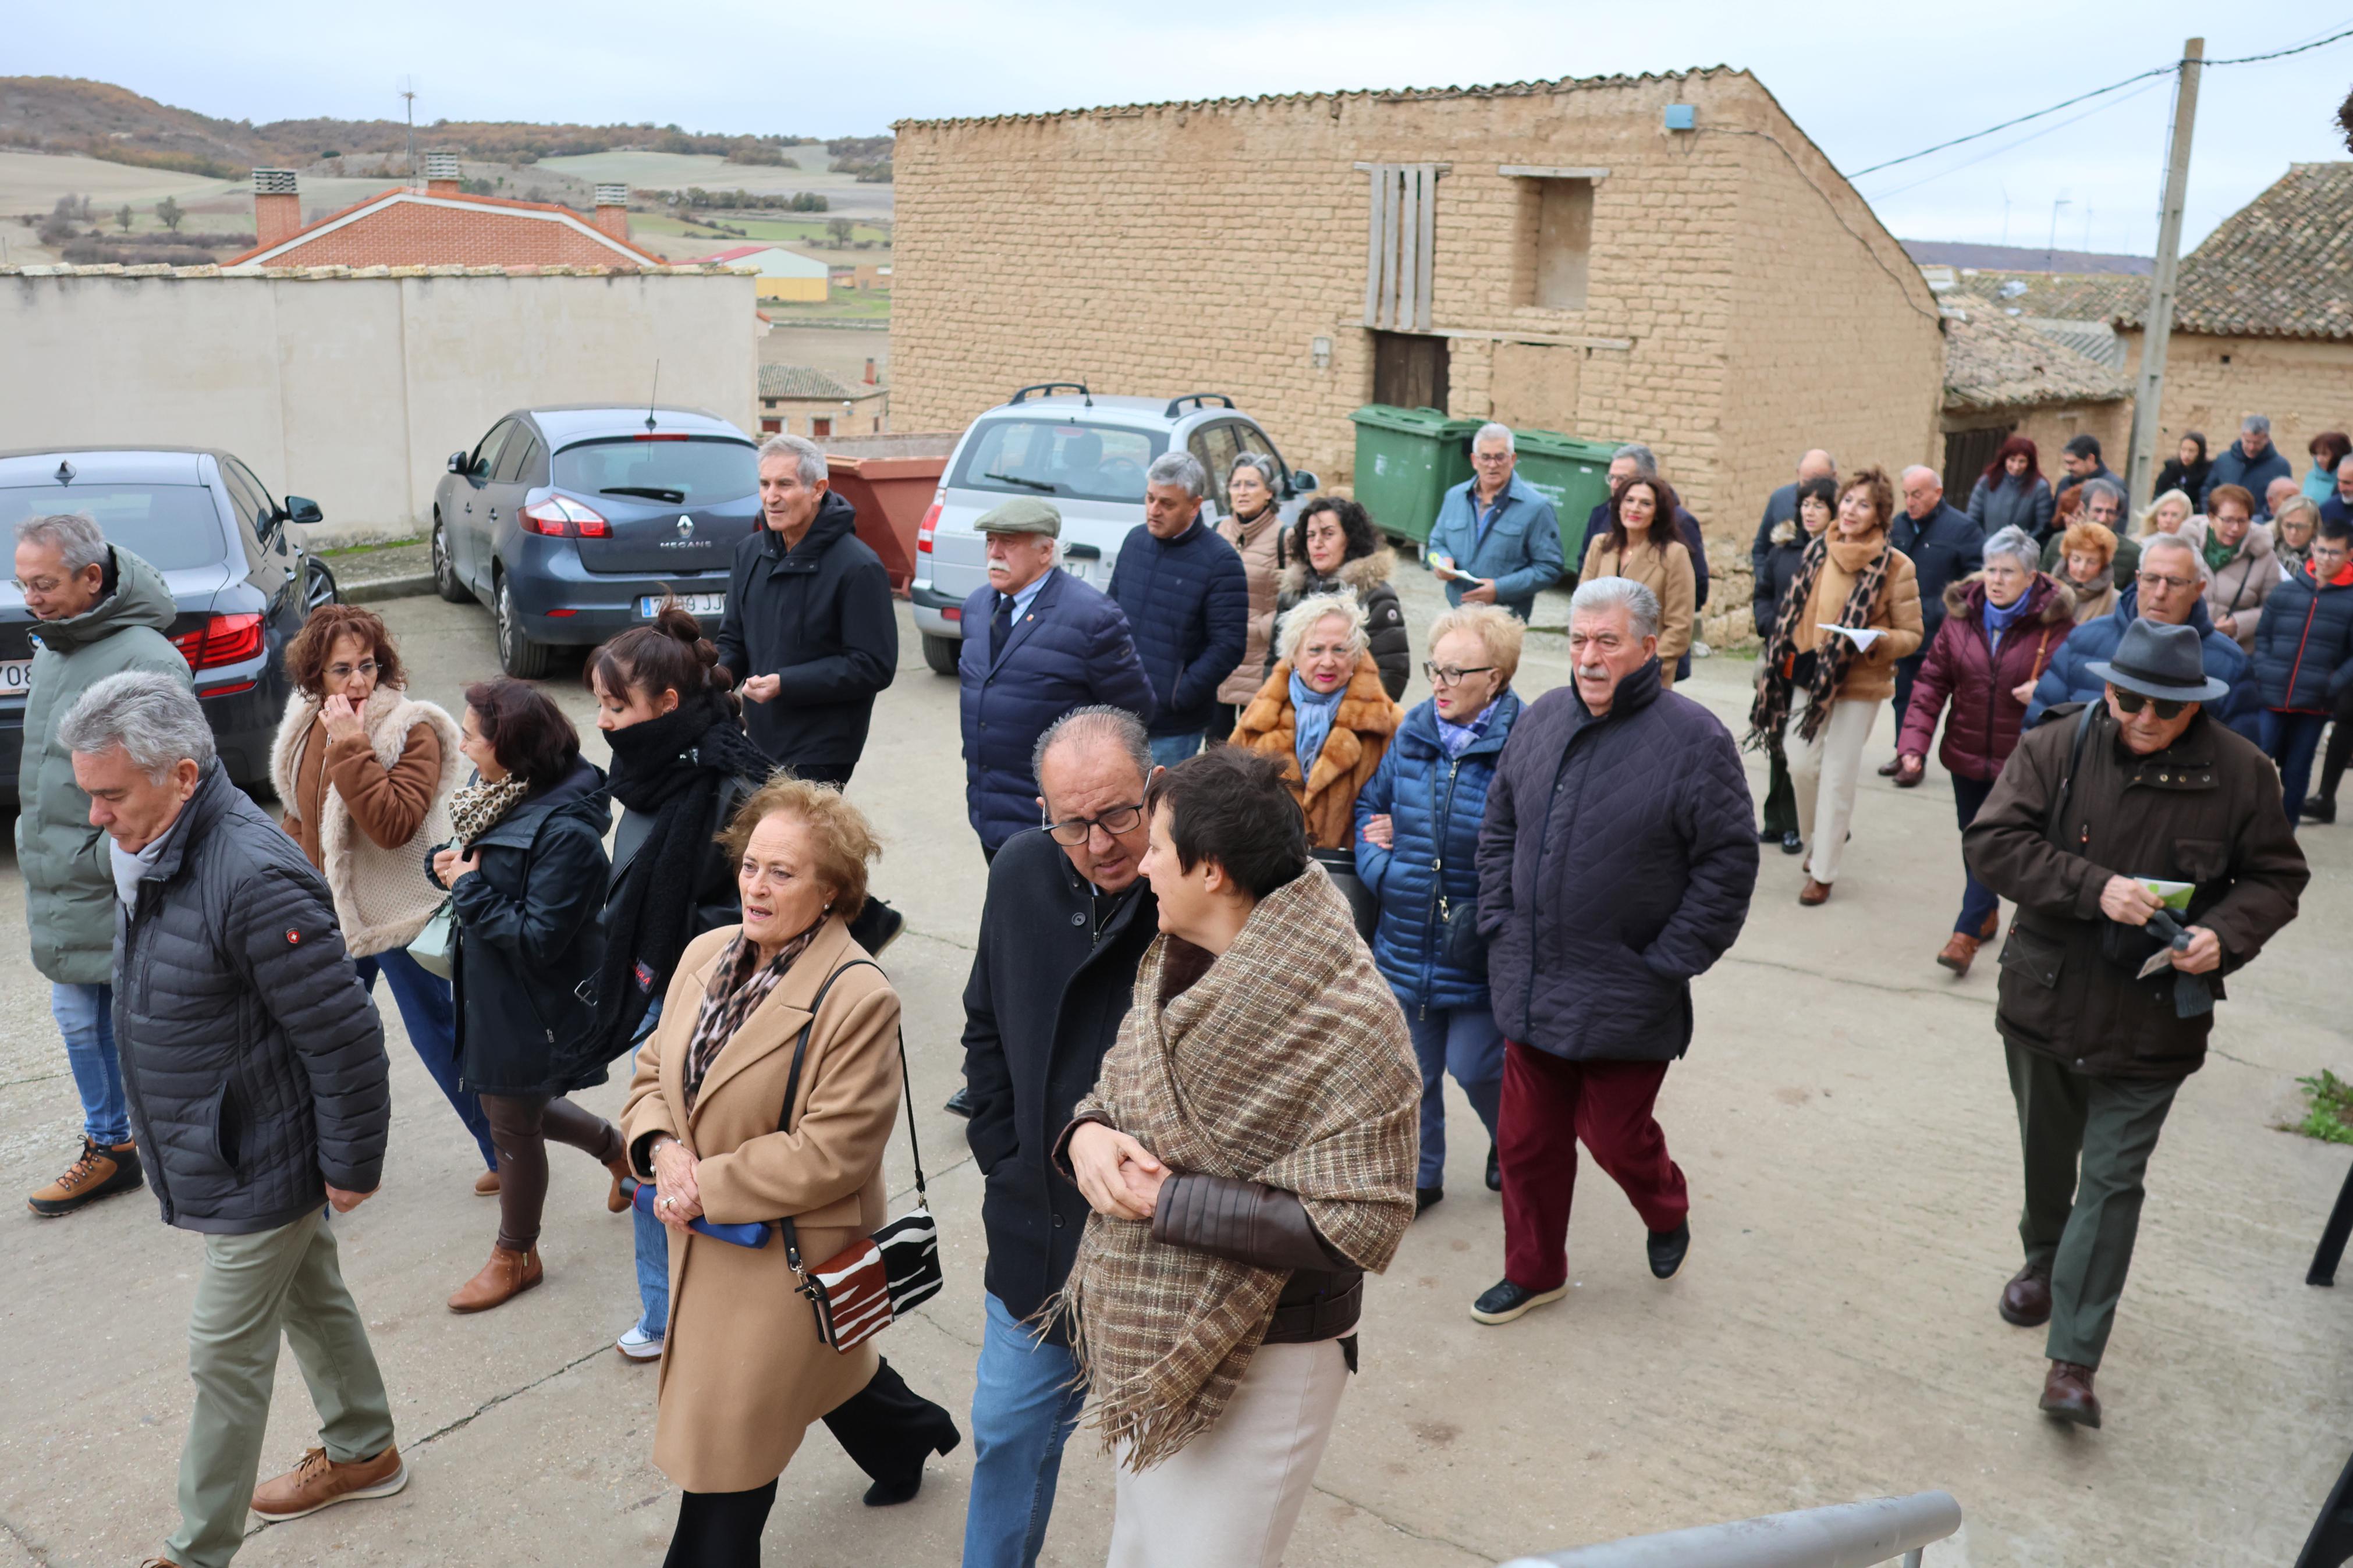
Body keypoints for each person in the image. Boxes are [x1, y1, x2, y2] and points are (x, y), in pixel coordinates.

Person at [65, 672, 404, 1566]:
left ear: (181, 774)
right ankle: (365, 1444)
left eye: (110, 794)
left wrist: (352, 1163)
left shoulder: (251, 872)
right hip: (227, 1140)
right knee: (311, 1291)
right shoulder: (158, 845)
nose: (96, 816)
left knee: (223, 1350)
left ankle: (197, 1550)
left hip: (263, 1150)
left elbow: (344, 1036)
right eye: (88, 792)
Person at [1054, 746, 1419, 1567]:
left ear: (1211, 870)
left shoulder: (1350, 1015)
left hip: (1271, 1351)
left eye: (1155, 846)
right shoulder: (1172, 958)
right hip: (1155, 1334)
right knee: (1140, 1551)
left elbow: (1362, 1218)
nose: (1138, 861)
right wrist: (1083, 1137)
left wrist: (1164, 1202)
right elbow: (1118, 1088)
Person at [1964, 619, 2306, 1428]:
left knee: (2112, 1182)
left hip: (2153, 1015)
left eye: (2164, 707)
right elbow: (1992, 842)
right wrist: (2093, 886)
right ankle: (2044, 1256)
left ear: (2195, 705)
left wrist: (2225, 935)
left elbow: (2275, 876)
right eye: (2128, 699)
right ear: (2107, 686)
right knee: (2048, 1157)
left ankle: (2072, 1361)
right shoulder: (2055, 747)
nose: (2143, 718)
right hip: (2046, 995)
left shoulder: (2241, 771)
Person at [622, 776, 960, 1563]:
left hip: (785, 1255)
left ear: (834, 889)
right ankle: (909, 1435)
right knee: (832, 1363)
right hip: (702, 1238)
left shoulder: (857, 997)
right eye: (750, 864)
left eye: (782, 871)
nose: (756, 884)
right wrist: (662, 1149)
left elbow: (832, 1149)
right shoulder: (706, 953)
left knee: (727, 1450)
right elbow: (650, 1073)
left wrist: (699, 1182)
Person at [1470, 577, 1757, 1325]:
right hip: (1531, 977)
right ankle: (1533, 1271)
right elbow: (1498, 823)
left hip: (1628, 987)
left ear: (1648, 648)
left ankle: (1665, 1207)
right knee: (1525, 1143)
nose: (1588, 658)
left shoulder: (1696, 741)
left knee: (1613, 1136)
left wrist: (1667, 960)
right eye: (1576, 640)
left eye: (1607, 641)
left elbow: (1727, 864)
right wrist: (1498, 919)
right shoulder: (1539, 719)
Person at [959, 707, 1160, 1568]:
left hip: (1154, 1250)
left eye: (1118, 812)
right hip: (1035, 1234)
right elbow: (983, 1025)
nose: (1100, 841)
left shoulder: (1196, 892)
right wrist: (1008, 1156)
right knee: (1005, 1435)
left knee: (1159, 1473)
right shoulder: (1018, 871)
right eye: (1072, 821)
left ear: (1154, 790)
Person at [584, 607, 772, 1364]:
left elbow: (756, 917)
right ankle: (666, 1309)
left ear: (665, 707)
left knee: (676, 1159)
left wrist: (689, 979)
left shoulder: (731, 790)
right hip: (660, 990)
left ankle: (704, 1311)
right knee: (656, 1156)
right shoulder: (654, 770)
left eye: (614, 705)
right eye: (598, 703)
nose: (601, 722)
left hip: (712, 1009)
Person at [427, 678, 631, 1313]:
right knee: (514, 1106)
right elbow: (474, 861)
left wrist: (466, 886)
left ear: (511, 747)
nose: (461, 746)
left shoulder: (566, 833)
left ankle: (517, 1254)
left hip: (531, 999)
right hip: (492, 986)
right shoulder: (496, 792)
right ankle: (619, 1152)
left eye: (470, 735)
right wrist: (443, 863)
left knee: (512, 1117)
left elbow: (540, 937)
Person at [268, 606, 487, 1187]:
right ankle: (321, 1172)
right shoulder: (307, 718)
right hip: (335, 915)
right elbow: (300, 811)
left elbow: (391, 824)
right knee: (327, 1042)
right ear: (315, 675)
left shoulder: (412, 727)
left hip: (403, 914)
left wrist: (351, 745)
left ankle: (510, 1155)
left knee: (440, 1038)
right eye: (341, 670)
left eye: (367, 665)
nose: (358, 682)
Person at [16, 513, 191, 1216]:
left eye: (45, 583)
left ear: (93, 578)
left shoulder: (144, 658)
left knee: (142, 1023)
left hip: (111, 874)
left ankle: (178, 1146)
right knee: (79, 1017)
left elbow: (172, 778)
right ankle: (112, 1144)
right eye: (23, 582)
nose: (31, 597)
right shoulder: (59, 647)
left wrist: (103, 854)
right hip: (62, 874)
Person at [1354, 603, 1525, 1213]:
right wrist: (1386, 871)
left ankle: (1512, 1144)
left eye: (1457, 672)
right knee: (1412, 1074)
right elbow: (1367, 809)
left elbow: (1534, 847)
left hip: (1475, 949)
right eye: (1435, 669)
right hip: (1404, 940)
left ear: (1495, 678)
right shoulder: (1414, 731)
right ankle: (1422, 1177)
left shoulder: (1523, 745)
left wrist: (1491, 907)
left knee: (1476, 1066)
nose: (1440, 683)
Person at [1894, 528, 2077, 975]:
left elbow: (2079, 688)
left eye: (2007, 572)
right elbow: (1931, 682)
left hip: (2023, 758)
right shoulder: (1962, 617)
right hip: (1966, 751)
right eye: (1990, 569)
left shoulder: (2055, 625)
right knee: (1971, 835)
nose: (1995, 580)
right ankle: (1987, 908)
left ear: (2032, 576)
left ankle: (1965, 931)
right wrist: (1913, 744)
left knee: (1992, 838)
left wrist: (2044, 691)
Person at [1750, 467, 1923, 905]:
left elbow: (1912, 635)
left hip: (1860, 683)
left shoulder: (1895, 567)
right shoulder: (1817, 550)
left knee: (1837, 776)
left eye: (1863, 504)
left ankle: (1823, 870)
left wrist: (1875, 641)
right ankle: (1819, 838)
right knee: (1800, 763)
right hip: (1810, 676)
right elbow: (1796, 613)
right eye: (1847, 500)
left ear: (1880, 515)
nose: (1850, 510)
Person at [960, 497, 1154, 858]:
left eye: (1010, 543)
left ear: (1046, 550)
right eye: (990, 541)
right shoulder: (976, 606)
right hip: (989, 807)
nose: (995, 553)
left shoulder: (1093, 618)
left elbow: (1134, 714)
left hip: (1062, 823)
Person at [715, 432, 897, 788]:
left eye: (785, 484)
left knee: (795, 843)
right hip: (757, 736)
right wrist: (710, 684)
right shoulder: (749, 553)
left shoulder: (859, 567)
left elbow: (873, 665)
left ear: (818, 489)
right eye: (765, 484)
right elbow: (733, 639)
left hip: (823, 747)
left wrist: (787, 683)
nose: (771, 497)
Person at [2029, 533, 2258, 737]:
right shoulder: (2084, 639)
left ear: (2199, 589)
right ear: (2138, 580)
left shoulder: (2229, 664)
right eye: (2151, 579)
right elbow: (2040, 729)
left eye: (2175, 583)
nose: (2160, 593)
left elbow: (2239, 762)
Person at [1108, 451, 1248, 769]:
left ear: (1195, 505)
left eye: (1167, 504)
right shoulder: (1135, 542)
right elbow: (1110, 616)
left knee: (1158, 813)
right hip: (1117, 714)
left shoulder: (1220, 561)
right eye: (1150, 498)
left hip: (1172, 729)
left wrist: (1176, 697)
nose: (1153, 511)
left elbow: (1229, 646)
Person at [1229, 593, 1401, 850]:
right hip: (1270, 871)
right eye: (1316, 650)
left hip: (1349, 874)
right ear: (1294, 655)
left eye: (1340, 650)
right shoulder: (1260, 718)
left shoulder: (1389, 724)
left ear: (1356, 656)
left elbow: (1415, 803)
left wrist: (1396, 824)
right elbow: (1226, 798)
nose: (1328, 661)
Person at [1880, 466, 1985, 784]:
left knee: (1930, 699)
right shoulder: (1897, 527)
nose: (1910, 502)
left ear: (1937, 493)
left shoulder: (1963, 530)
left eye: (1918, 494)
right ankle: (1905, 754)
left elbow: (1977, 579)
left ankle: (1919, 758)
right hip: (1907, 630)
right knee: (1905, 696)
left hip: (1944, 634)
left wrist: (1948, 610)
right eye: (1907, 495)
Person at [1751, 475, 1836, 854]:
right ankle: (1773, 818)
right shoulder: (1783, 550)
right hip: (1777, 656)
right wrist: (1770, 625)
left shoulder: (1836, 554)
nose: (1810, 511)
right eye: (1805, 504)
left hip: (1812, 661)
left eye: (1819, 505)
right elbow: (1764, 593)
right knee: (1775, 733)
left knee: (1797, 742)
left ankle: (1794, 823)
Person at [2249, 516, 2353, 825]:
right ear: (2312, 549)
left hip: (2315, 703)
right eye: (2320, 550)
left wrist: (2332, 683)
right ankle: (2246, 828)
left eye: (2334, 553)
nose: (2325, 558)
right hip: (2273, 695)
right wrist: (2264, 670)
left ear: (2350, 555)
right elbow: (2263, 636)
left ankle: (2285, 837)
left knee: (2297, 770)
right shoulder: (2286, 592)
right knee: (2257, 760)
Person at [1426, 422, 1564, 621]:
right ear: (1474, 460)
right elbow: (1436, 544)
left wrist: (1500, 589)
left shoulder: (1537, 507)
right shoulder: (1455, 497)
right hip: (1458, 614)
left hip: (1504, 622)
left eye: (1500, 457)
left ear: (1513, 459)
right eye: (1486, 457)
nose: (1492, 465)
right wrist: (1442, 562)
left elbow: (1549, 567)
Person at [1279, 495, 1410, 699]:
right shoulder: (1293, 593)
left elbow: (1391, 671)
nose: (1317, 543)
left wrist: (1350, 718)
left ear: (1350, 539)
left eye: (1328, 534)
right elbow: (1276, 662)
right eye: (1310, 536)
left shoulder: (1375, 596)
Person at [1581, 472, 1698, 689]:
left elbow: (1680, 627)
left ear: (1657, 512)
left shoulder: (1674, 555)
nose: (1635, 509)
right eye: (1629, 500)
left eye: (1645, 503)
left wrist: (1643, 664)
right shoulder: (1600, 546)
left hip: (1646, 674)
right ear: (1618, 505)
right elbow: (1582, 607)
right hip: (1595, 665)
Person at [1209, 454, 1290, 744]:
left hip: (1259, 661)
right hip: (1219, 661)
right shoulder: (1219, 532)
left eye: (1251, 484)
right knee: (1215, 751)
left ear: (1269, 492)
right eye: (1236, 485)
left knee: (1251, 752)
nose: (1242, 492)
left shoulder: (1284, 537)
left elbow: (1292, 599)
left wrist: (1259, 628)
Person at [2198, 484, 2276, 652]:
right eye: (2228, 520)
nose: (2235, 528)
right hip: (2187, 642)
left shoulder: (2264, 555)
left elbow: (2273, 607)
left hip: (2234, 650)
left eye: (2242, 521)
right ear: (2211, 518)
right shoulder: (2189, 546)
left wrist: (2240, 623)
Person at [1748, 449, 1836, 586]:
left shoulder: (1845, 506)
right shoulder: (1780, 500)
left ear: (1834, 476)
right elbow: (1761, 550)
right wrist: (1766, 583)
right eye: (1807, 482)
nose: (1809, 512)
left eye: (1819, 506)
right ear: (1798, 474)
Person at [1968, 435, 2057, 543]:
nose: (2016, 466)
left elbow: (2042, 527)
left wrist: (2021, 546)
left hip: (2022, 553)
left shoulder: (2040, 488)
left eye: (2022, 461)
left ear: (2030, 463)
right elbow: (1973, 519)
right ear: (2004, 459)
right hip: (1987, 550)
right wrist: (1988, 545)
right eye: (2012, 460)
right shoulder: (1987, 482)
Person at [2202, 414, 2292, 516]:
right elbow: (2208, 490)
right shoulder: (2223, 460)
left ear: (2267, 439)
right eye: (2248, 441)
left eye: (2257, 443)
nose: (2251, 447)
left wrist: (2264, 519)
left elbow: (2285, 500)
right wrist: (2210, 514)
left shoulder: (2280, 467)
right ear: (2242, 436)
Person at [2057, 520, 2122, 624]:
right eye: (2076, 559)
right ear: (2067, 558)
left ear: (2102, 565)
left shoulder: (2115, 602)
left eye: (2092, 562)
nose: (2082, 568)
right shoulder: (2049, 591)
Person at [2055, 433, 2118, 500]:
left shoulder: (2113, 486)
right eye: (2066, 463)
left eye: (2072, 463)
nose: (2068, 468)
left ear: (2090, 459)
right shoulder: (2065, 483)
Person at [2153, 431, 2210, 504]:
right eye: (2183, 450)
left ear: (2200, 452)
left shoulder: (2207, 473)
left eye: (2192, 451)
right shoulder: (2171, 469)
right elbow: (2157, 497)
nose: (2186, 455)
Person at [2275, 495, 2321, 580]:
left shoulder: (2323, 557)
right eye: (2288, 525)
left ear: (2314, 528)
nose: (2293, 532)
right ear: (2280, 525)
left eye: (2301, 527)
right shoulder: (2268, 550)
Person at [2132, 488, 2198, 544]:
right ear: (2156, 518)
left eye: (2175, 515)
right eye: (2164, 514)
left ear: (2185, 519)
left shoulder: (2194, 552)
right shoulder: (2141, 545)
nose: (2168, 520)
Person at [2304, 431, 2350, 507]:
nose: (2319, 459)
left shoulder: (2349, 480)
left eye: (2324, 454)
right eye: (2316, 454)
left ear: (2338, 455)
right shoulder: (2311, 476)